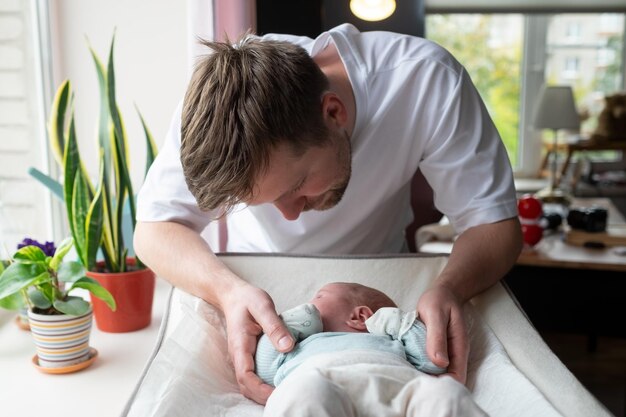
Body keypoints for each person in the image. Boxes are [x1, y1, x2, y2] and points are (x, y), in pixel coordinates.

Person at [134, 23, 523, 405]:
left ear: (333, 113)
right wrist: (228, 292)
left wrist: (450, 287)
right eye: (266, 200)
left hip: (380, 281)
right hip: (258, 286)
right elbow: (154, 230)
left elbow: (493, 223)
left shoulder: (425, 80)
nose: (289, 215)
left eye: (295, 186)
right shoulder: (219, 106)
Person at [255, 282, 487, 416]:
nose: (308, 304)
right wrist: (288, 325)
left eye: (319, 297)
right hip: (320, 384)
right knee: (304, 394)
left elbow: (431, 361)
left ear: (361, 316)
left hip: (399, 394)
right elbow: (266, 370)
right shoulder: (301, 346)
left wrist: (394, 322)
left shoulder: (393, 341)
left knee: (445, 394)